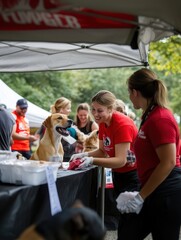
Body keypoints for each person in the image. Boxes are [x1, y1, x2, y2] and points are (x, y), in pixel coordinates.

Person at [116, 68, 181, 240]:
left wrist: (141, 196)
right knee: (126, 234)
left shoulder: (161, 118)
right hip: (152, 189)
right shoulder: (150, 115)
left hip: (166, 192)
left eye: (129, 93)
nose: (129, 97)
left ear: (135, 92)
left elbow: (168, 162)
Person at [71, 90, 140, 236]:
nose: (95, 114)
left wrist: (91, 160)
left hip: (133, 175)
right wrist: (84, 154)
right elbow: (102, 150)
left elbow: (121, 161)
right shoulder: (103, 122)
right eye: (93, 110)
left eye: (99, 110)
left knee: (130, 223)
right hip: (119, 174)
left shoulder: (122, 124)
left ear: (111, 109)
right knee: (124, 218)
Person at [36, 97, 78, 162]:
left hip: (67, 155)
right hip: (59, 155)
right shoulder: (51, 121)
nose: (70, 111)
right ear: (61, 109)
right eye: (68, 108)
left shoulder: (68, 122)